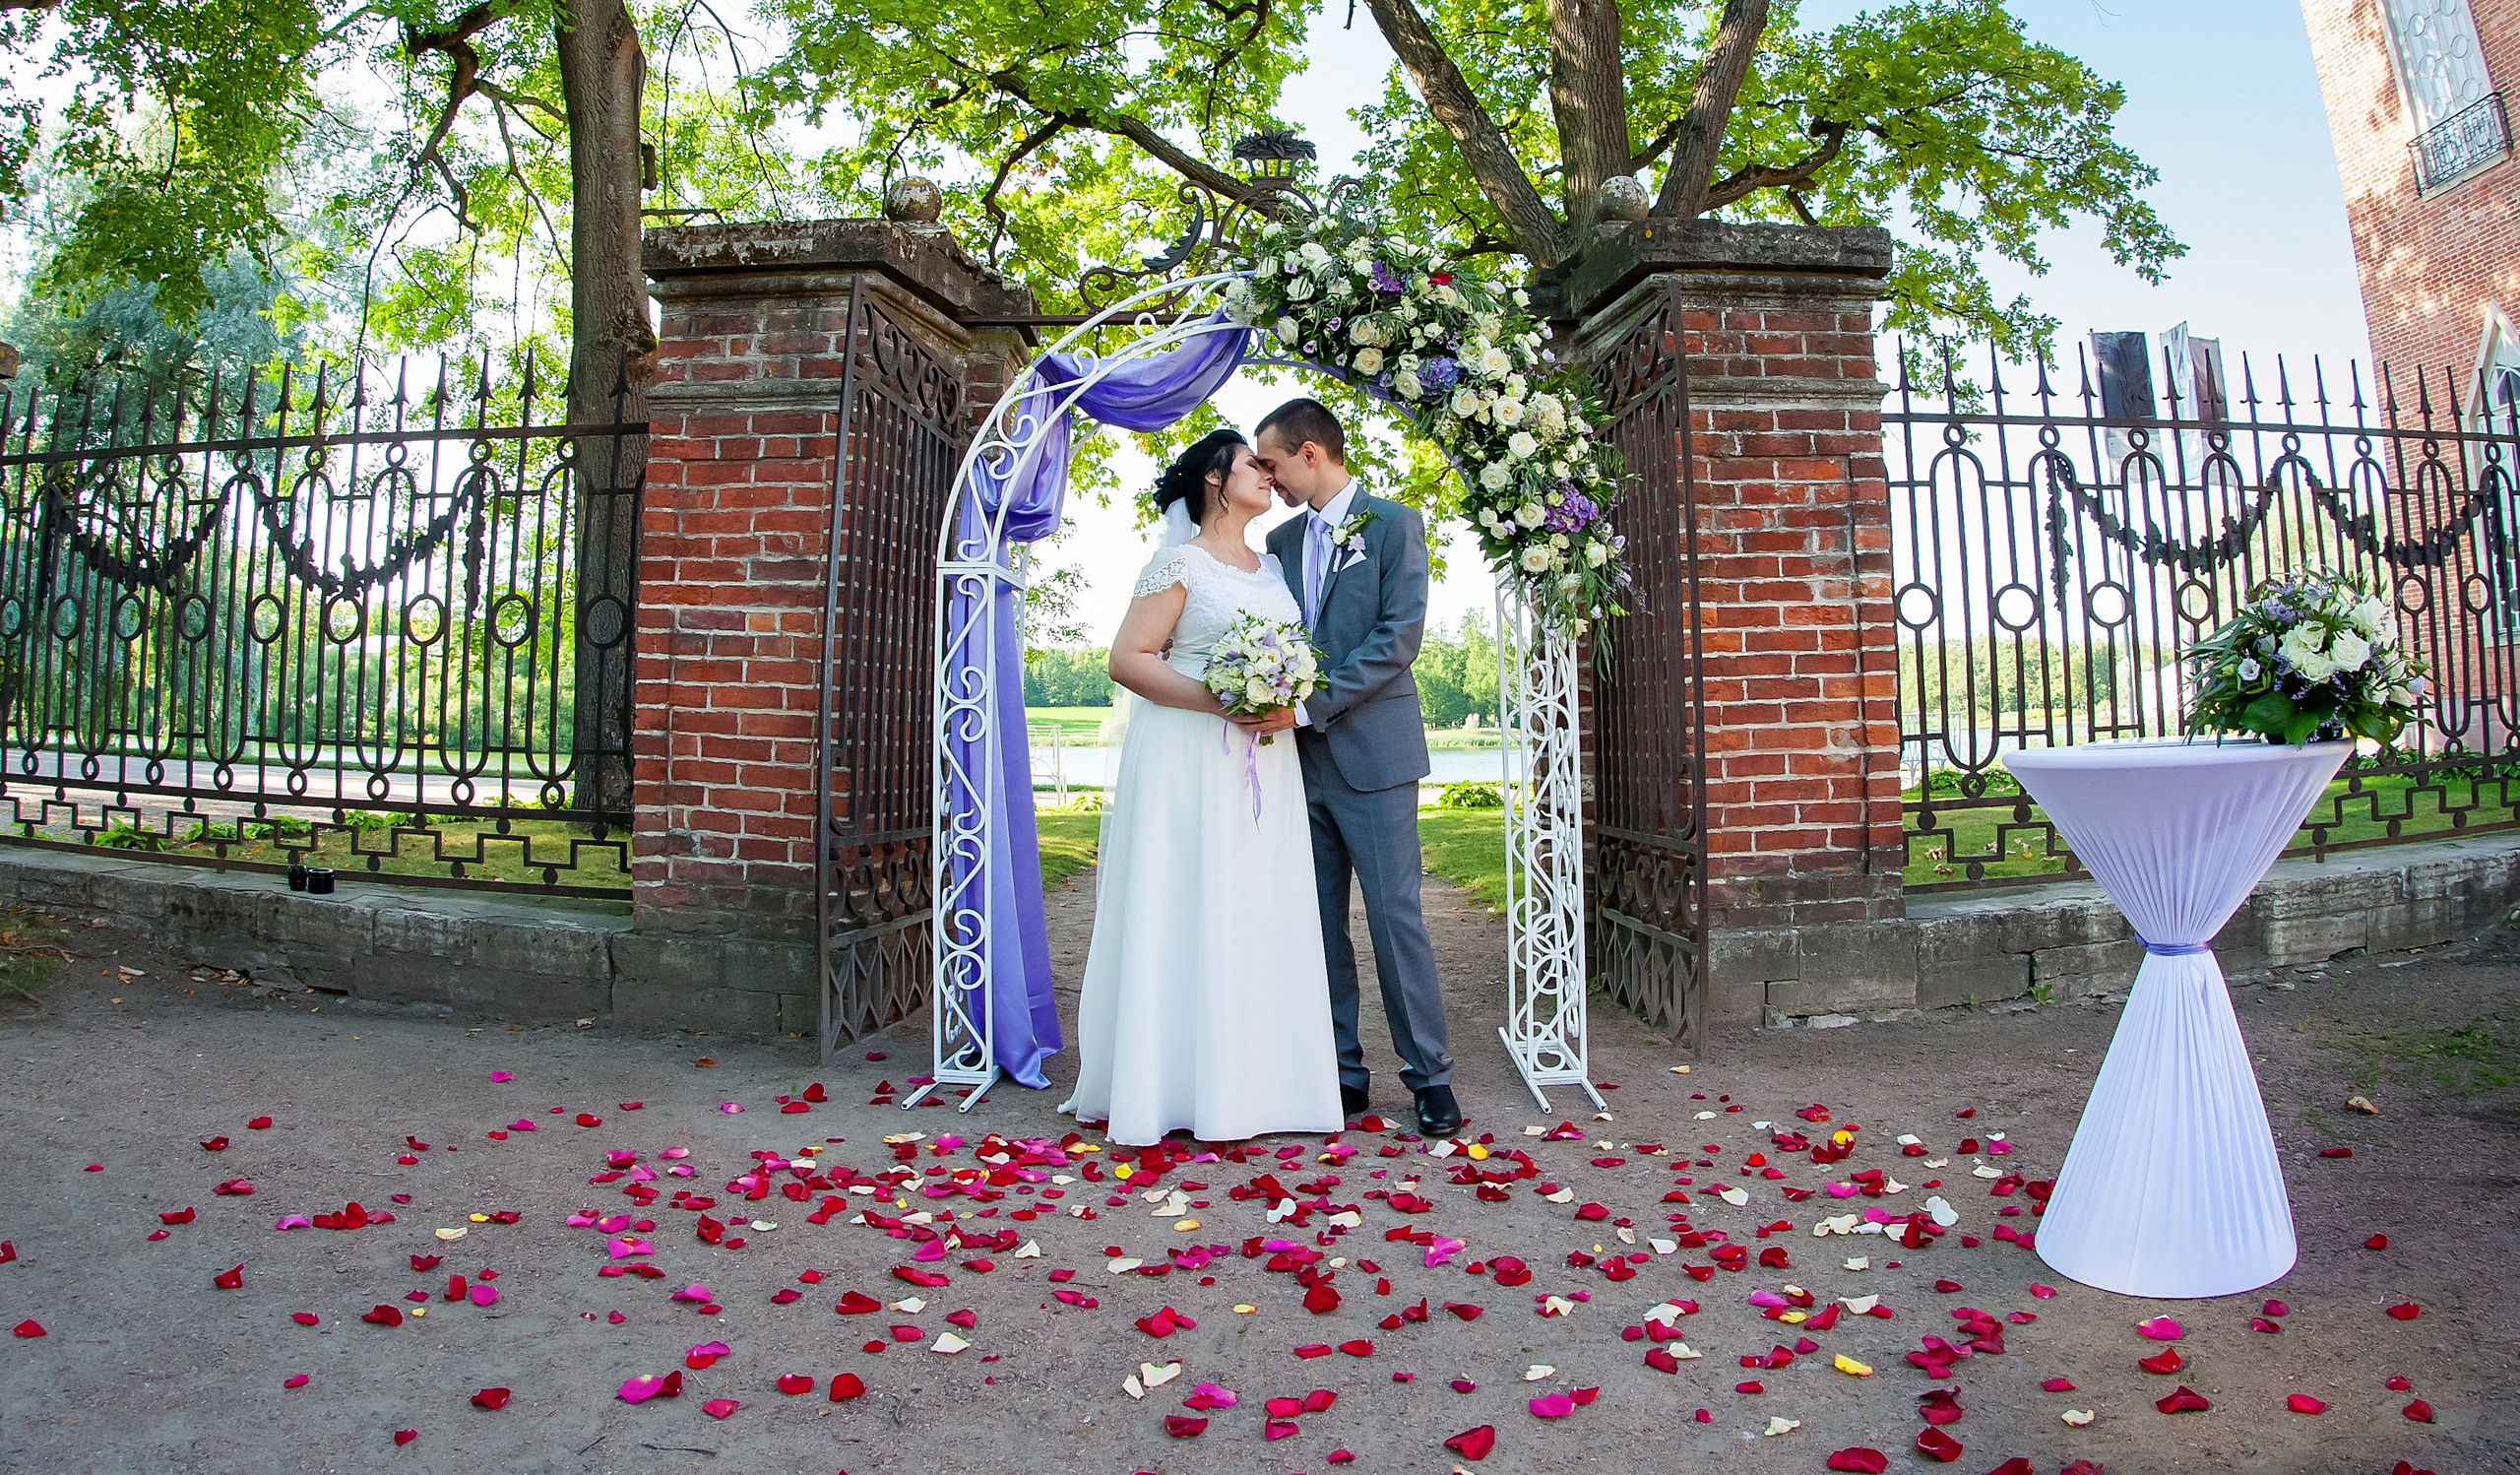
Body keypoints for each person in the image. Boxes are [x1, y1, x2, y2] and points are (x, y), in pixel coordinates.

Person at [1058, 429, 1344, 1145]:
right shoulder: (1177, 563)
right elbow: (1127, 659)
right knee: (1187, 902)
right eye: (1253, 464)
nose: (1268, 476)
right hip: (1190, 757)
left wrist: (1278, 692)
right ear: (1216, 477)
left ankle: (1261, 1085)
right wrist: (1224, 699)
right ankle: (1176, 1085)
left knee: (1256, 904)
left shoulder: (1274, 566)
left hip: (1266, 763)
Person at [1249, 398, 1461, 1137]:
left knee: (1396, 918)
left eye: (1271, 463)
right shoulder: (1275, 541)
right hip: (1292, 764)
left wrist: (1308, 707)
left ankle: (1430, 1076)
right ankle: (1340, 1070)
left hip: (1373, 753)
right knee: (1316, 926)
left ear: (1312, 453)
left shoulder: (1396, 524)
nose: (1266, 479)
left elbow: (1398, 639)